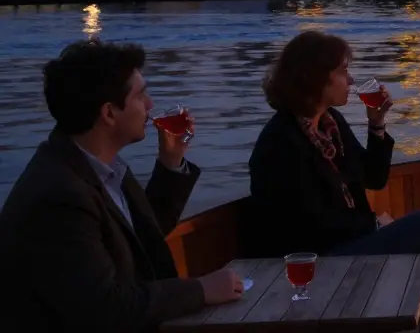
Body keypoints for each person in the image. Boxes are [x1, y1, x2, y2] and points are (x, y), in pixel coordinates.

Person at [0, 40, 244, 332]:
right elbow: (103, 308)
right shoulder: (59, 197)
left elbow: (141, 236)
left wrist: (171, 160)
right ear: (108, 113)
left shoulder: (98, 166)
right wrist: (201, 290)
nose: (150, 105)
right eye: (141, 95)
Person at [246, 30, 420, 300]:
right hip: (318, 258)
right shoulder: (280, 143)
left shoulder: (330, 123)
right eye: (343, 71)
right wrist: (373, 225)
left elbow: (373, 177)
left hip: (351, 239)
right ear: (315, 77)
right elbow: (310, 225)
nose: (350, 80)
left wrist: (377, 123)